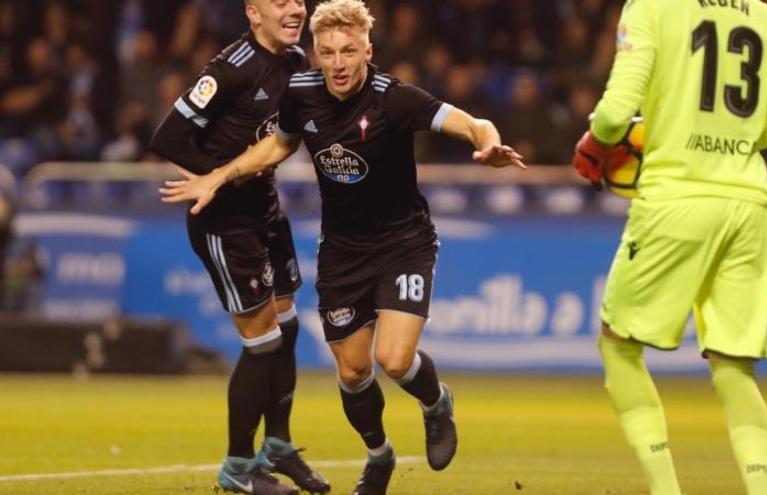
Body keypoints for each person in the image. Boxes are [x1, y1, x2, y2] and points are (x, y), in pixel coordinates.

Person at [160, 1, 525, 494]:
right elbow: (278, 145)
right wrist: (219, 176)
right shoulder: (301, 91)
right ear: (315, 54)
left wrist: (489, 143)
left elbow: (466, 120)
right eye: (328, 52)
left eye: (349, 51)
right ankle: (379, 456)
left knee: (393, 360)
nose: (338, 62)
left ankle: (436, 402)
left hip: (403, 243)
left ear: (367, 51)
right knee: (353, 373)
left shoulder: (393, 98)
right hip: (342, 252)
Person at [572, 1, 767, 494]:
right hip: (751, 204)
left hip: (677, 199)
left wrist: (601, 139)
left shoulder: (652, 7)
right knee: (735, 369)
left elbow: (613, 112)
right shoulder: (761, 12)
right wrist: (721, 137)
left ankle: (666, 491)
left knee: (619, 346)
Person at [149, 1, 329, 494]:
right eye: (281, 2)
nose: (295, 9)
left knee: (287, 327)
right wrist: (213, 178)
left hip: (266, 209)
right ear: (253, 13)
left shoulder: (295, 62)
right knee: (264, 340)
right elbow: (168, 136)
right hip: (225, 220)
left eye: (299, 0)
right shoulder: (230, 69)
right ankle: (237, 467)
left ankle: (279, 445)